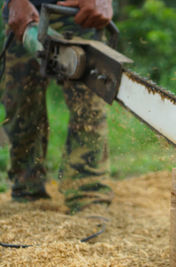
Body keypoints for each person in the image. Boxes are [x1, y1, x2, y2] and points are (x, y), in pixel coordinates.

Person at [2, 0, 114, 213]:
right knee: (21, 103)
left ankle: (88, 194)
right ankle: (27, 190)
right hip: (25, 12)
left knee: (88, 105)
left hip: (81, 12)